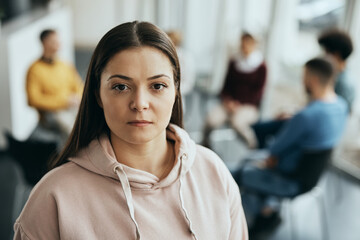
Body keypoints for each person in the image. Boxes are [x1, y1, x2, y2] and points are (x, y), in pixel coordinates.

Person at [14, 21, 248, 240]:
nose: (140, 103)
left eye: (158, 86)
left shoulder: (215, 173)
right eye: (121, 87)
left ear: (176, 91)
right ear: (98, 94)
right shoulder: (53, 197)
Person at [232, 57, 348, 234]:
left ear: (313, 80)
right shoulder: (341, 106)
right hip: (311, 178)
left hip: (290, 181)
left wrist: (296, 120)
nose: (302, 81)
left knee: (242, 172)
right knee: (251, 166)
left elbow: (274, 149)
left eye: (304, 76)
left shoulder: (306, 117)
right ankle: (268, 211)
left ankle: (251, 225)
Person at [203, 32, 267, 148]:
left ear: (254, 44)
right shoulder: (234, 62)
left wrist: (239, 104)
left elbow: (258, 93)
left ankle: (254, 147)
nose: (245, 45)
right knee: (211, 120)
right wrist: (229, 101)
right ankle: (206, 147)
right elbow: (226, 86)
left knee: (238, 123)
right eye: (243, 42)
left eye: (248, 42)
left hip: (248, 106)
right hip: (229, 104)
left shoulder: (261, 66)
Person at [26, 29, 83, 146]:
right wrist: (63, 101)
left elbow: (78, 86)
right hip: (51, 113)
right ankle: (70, 159)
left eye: (58, 40)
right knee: (71, 128)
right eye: (54, 41)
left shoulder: (64, 65)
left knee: (90, 120)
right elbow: (33, 100)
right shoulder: (34, 69)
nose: (58, 43)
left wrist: (77, 98)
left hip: (72, 105)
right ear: (44, 43)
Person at [318, 29, 355, 112]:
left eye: (326, 52)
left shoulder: (342, 84)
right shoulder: (335, 77)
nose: (323, 56)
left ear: (336, 55)